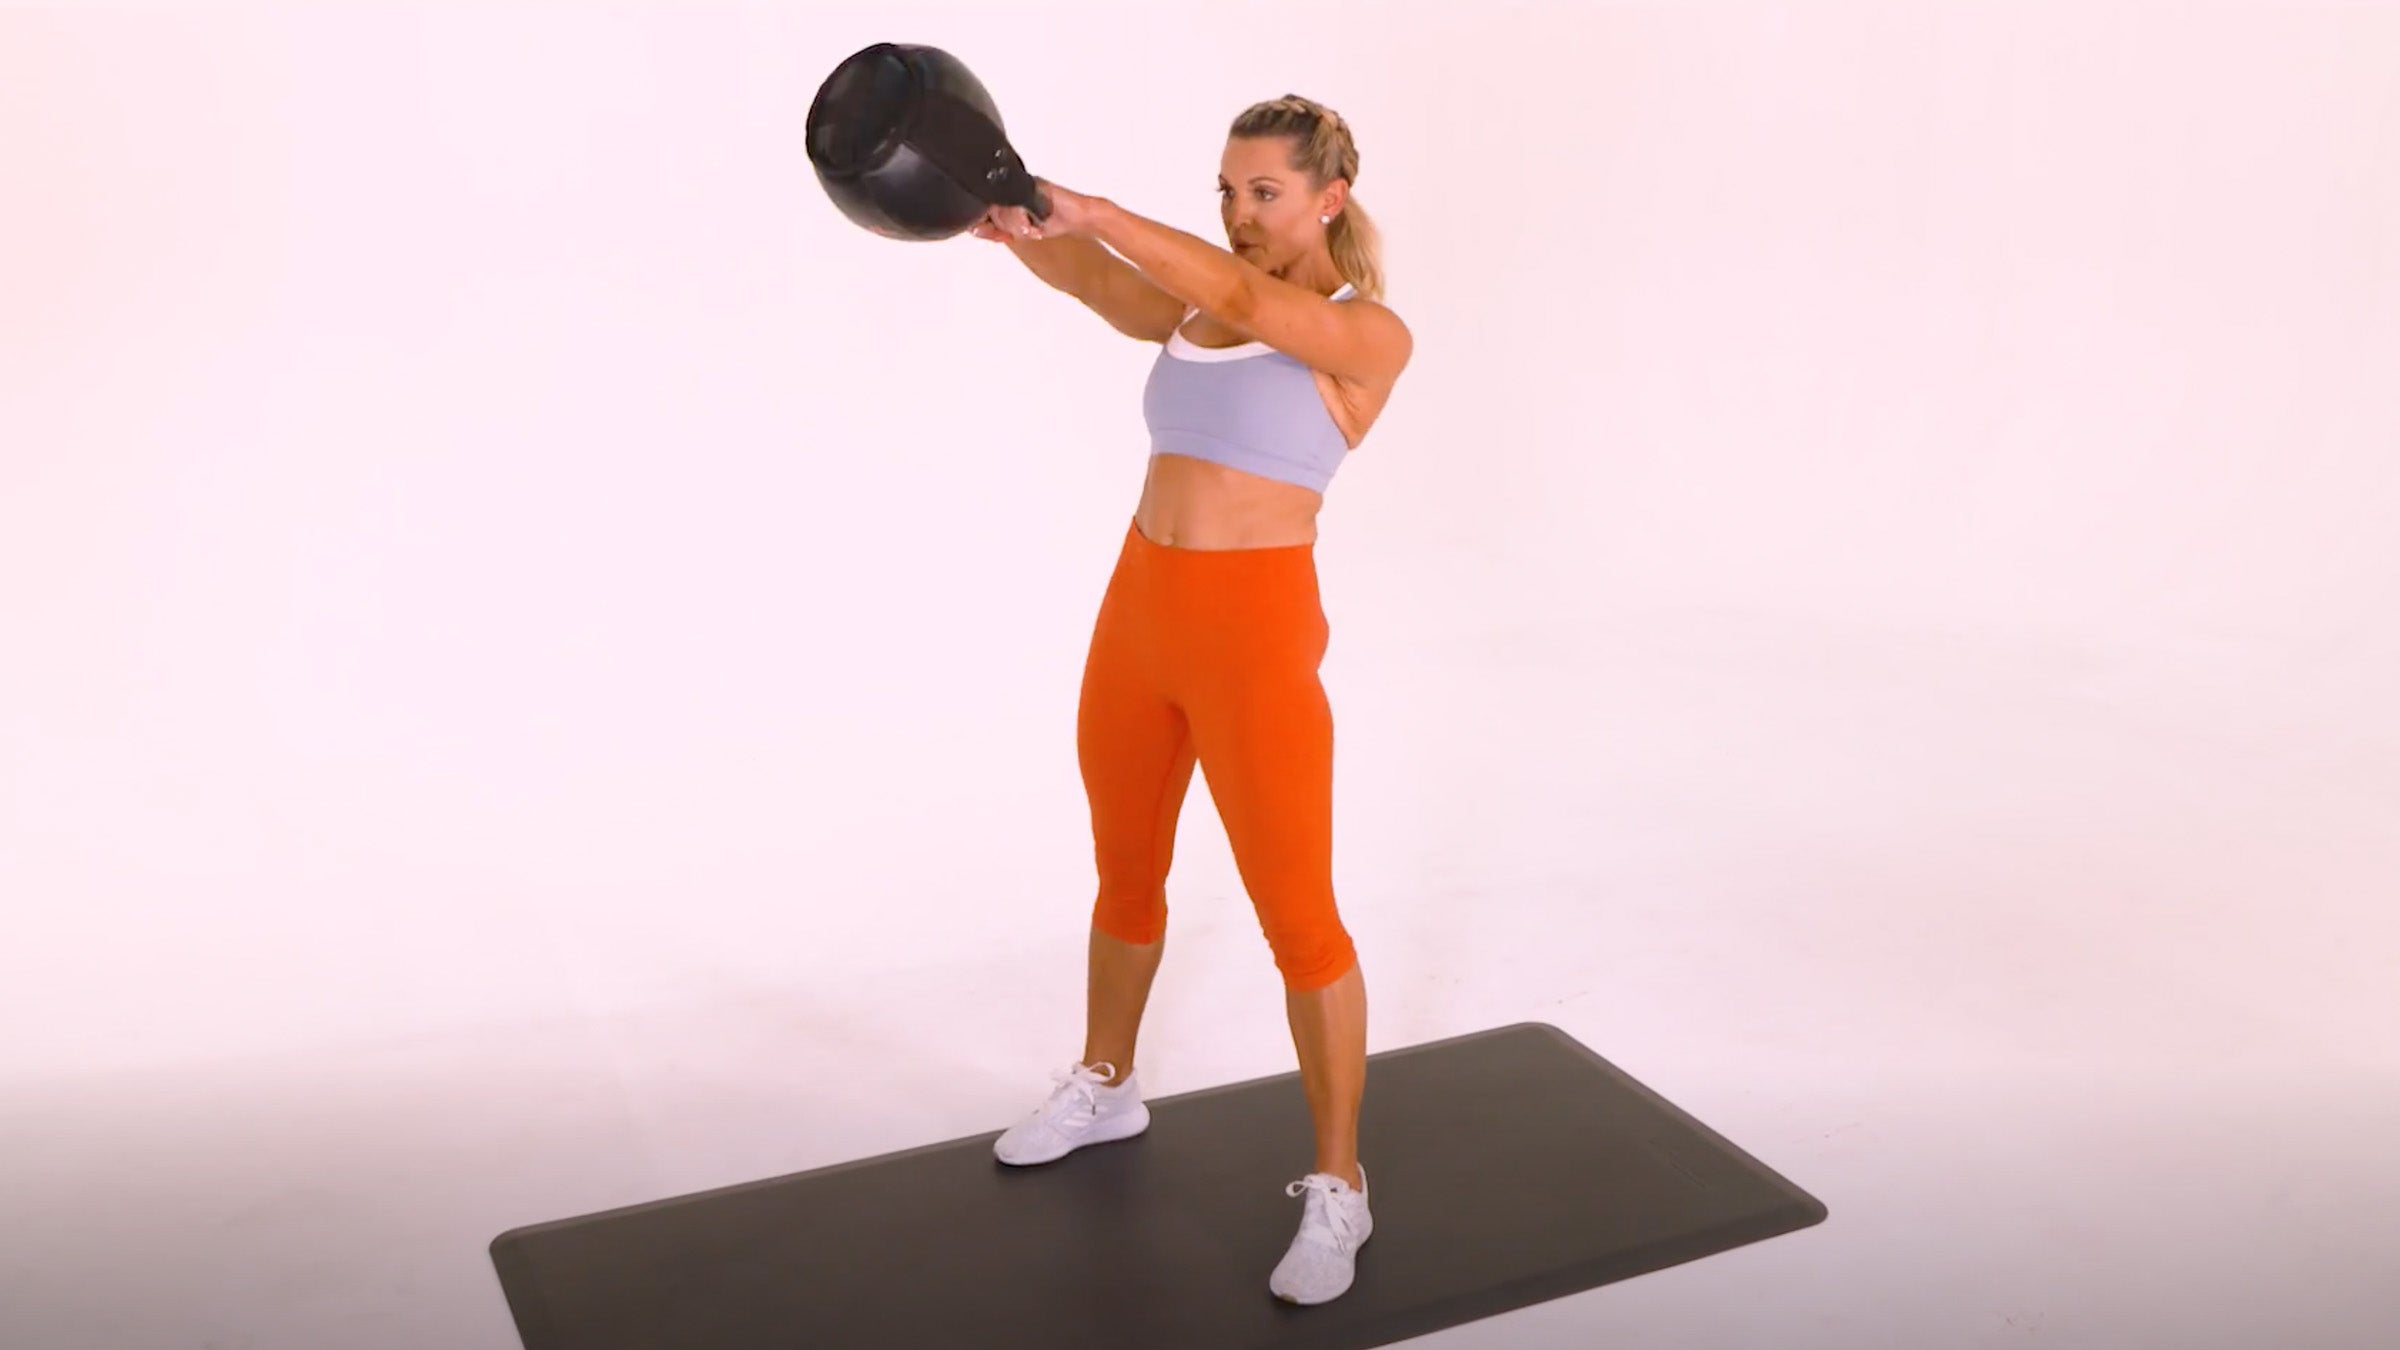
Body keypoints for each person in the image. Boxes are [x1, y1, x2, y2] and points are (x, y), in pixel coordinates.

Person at [978, 94, 1412, 1306]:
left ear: (1328, 195)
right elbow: (1096, 286)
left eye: (1262, 193)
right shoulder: (1191, 304)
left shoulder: (1363, 335)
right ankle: (1107, 1083)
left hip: (1252, 638)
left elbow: (1244, 301)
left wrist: (1101, 209)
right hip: (1138, 616)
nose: (1239, 214)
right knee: (1125, 868)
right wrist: (1014, 220)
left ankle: (1342, 1186)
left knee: (1298, 916)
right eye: (1226, 192)